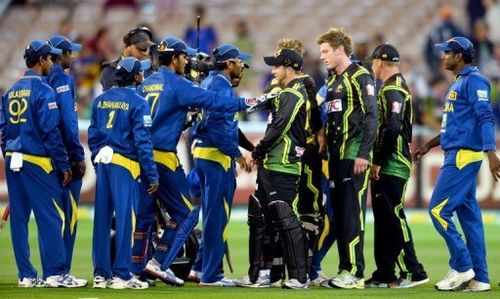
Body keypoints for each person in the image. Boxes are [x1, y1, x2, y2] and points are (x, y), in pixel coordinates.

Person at [132, 36, 267, 287]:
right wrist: (252, 101)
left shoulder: (148, 83)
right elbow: (217, 108)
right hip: (171, 156)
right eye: (183, 57)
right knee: (190, 213)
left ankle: (134, 271)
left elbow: (157, 116)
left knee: (146, 216)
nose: (186, 61)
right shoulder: (181, 83)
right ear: (174, 59)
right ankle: (166, 264)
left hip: (145, 156)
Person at [413, 36, 500, 292]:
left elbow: (485, 117)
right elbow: (458, 125)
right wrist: (430, 144)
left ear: (459, 56)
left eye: (447, 52)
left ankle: (462, 266)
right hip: (457, 152)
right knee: (470, 218)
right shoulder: (460, 81)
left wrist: (491, 152)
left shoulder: (474, 81)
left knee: (438, 210)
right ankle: (481, 278)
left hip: (462, 157)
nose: (442, 56)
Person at [0, 39, 84, 288]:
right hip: (38, 161)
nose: (51, 63)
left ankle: (26, 274)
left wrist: (9, 152)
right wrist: (64, 165)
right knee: (52, 216)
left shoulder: (12, 90)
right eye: (49, 58)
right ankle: (56, 273)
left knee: (19, 219)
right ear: (41, 61)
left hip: (13, 160)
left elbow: (3, 129)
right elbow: (50, 132)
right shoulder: (44, 91)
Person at [89, 57, 159, 289]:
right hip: (125, 164)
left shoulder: (100, 101)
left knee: (101, 220)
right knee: (126, 221)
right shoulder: (139, 102)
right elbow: (143, 143)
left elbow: (93, 135)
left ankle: (101, 275)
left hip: (104, 162)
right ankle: (121, 275)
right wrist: (152, 175)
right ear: (137, 76)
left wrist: (98, 158)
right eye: (142, 73)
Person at [316, 28, 378, 289]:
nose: (322, 57)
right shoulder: (333, 81)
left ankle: (355, 272)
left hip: (354, 157)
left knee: (353, 215)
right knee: (341, 216)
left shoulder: (361, 76)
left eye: (326, 51)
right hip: (337, 158)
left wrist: (364, 154)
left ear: (341, 49)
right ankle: (344, 269)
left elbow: (372, 116)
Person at [190, 43, 253, 286]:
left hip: (204, 155)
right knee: (217, 217)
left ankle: (198, 268)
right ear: (229, 64)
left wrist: (250, 148)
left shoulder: (209, 82)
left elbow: (227, 125)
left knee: (211, 214)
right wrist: (237, 155)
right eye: (239, 62)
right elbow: (220, 128)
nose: (242, 66)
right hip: (216, 158)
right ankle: (211, 275)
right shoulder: (222, 87)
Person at [366, 43, 429, 288]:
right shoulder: (394, 87)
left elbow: (391, 128)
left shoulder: (393, 89)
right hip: (389, 163)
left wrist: (378, 161)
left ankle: (414, 271)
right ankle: (385, 273)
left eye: (373, 61)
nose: (372, 65)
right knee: (384, 219)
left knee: (393, 217)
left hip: (391, 164)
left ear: (380, 62)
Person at [249, 48, 309, 289]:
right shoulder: (284, 93)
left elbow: (280, 127)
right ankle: (261, 275)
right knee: (261, 218)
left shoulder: (294, 93)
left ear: (289, 68)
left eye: (276, 67)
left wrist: (257, 151)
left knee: (285, 220)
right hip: (271, 163)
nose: (273, 71)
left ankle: (300, 277)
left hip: (283, 165)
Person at [46, 34, 87, 279]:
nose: (72, 56)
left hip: (44, 156)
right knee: (69, 217)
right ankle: (62, 272)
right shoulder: (62, 78)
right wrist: (76, 155)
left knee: (50, 218)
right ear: (59, 55)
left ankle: (49, 271)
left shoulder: (41, 78)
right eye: (69, 52)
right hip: (65, 157)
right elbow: (69, 122)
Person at [100, 26, 155, 91]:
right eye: (140, 48)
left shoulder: (152, 70)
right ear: (126, 46)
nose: (145, 53)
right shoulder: (110, 70)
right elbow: (115, 97)